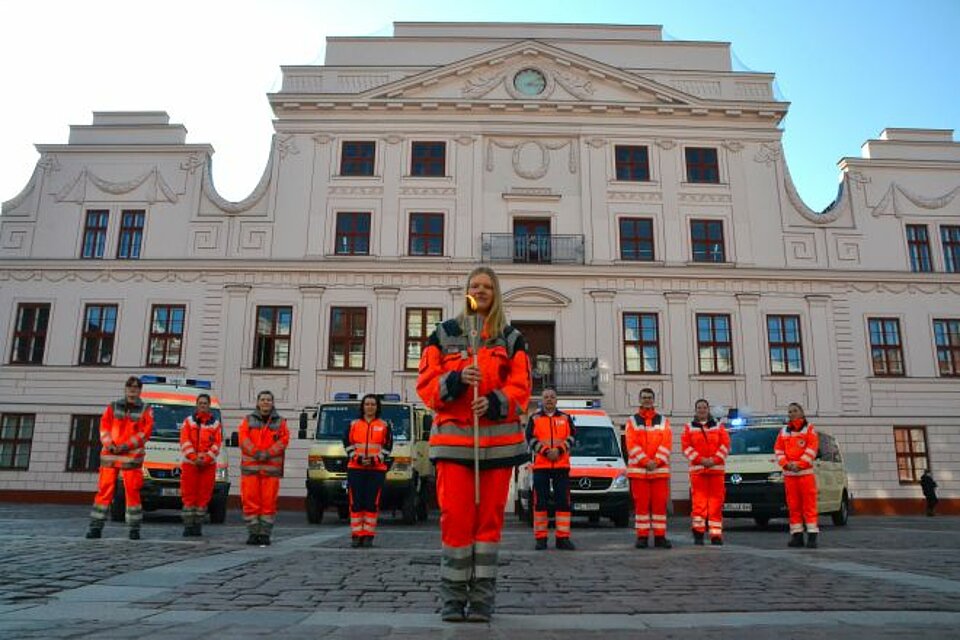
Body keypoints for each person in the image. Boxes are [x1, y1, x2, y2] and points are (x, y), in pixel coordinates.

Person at [417, 266, 531, 623]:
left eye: (486, 287)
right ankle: (452, 597)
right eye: (474, 286)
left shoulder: (511, 339)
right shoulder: (443, 335)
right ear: (466, 291)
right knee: (456, 521)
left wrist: (495, 401)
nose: (480, 291)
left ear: (495, 293)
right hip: (453, 444)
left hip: (496, 449)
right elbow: (426, 386)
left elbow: (521, 387)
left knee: (489, 524)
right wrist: (457, 380)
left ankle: (482, 599)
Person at [85, 376, 154, 540]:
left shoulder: (146, 409)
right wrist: (110, 444)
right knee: (104, 492)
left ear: (140, 390)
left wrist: (125, 446)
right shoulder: (112, 407)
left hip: (130, 458)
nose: (133, 389)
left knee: (132, 493)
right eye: (130, 386)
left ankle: (134, 529)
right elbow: (104, 428)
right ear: (125, 388)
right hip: (111, 456)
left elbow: (145, 432)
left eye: (136, 387)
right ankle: (95, 527)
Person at [525, 386, 576, 551]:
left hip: (561, 466)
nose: (549, 399)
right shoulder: (534, 419)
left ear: (556, 400)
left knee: (563, 502)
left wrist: (559, 451)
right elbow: (530, 438)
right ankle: (541, 539)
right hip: (541, 466)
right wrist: (546, 451)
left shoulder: (566, 418)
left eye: (552, 397)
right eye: (546, 397)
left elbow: (573, 437)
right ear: (541, 399)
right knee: (540, 503)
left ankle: (563, 538)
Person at [238, 390, 290, 546]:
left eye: (268, 400)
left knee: (268, 503)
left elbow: (284, 441)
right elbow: (243, 439)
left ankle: (265, 534)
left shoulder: (281, 422)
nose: (266, 402)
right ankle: (253, 533)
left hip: (270, 471)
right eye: (263, 399)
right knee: (250, 502)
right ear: (258, 402)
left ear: (273, 403)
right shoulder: (247, 420)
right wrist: (256, 452)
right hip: (251, 470)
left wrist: (268, 453)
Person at [625, 388, 673, 549]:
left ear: (654, 400)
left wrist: (656, 461)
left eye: (649, 397)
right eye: (644, 397)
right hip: (640, 473)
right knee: (641, 507)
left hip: (659, 472)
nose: (647, 400)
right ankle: (642, 537)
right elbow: (631, 445)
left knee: (660, 506)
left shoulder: (663, 421)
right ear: (640, 400)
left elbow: (666, 444)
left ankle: (660, 537)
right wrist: (646, 462)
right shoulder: (632, 421)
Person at [343, 394, 393, 548]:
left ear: (377, 407)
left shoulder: (385, 425)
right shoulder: (354, 424)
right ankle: (357, 535)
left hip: (376, 469)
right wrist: (357, 458)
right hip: (355, 468)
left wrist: (374, 460)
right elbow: (347, 443)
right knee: (356, 502)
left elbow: (388, 447)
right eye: (367, 404)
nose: (370, 407)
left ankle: (368, 535)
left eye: (373, 404)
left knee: (371, 502)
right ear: (362, 406)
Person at [681, 398, 730, 545]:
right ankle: (698, 534)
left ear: (708, 410)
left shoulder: (719, 426)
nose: (702, 410)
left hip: (716, 471)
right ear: (695, 410)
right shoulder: (689, 427)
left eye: (704, 407)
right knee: (699, 505)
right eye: (699, 408)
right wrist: (701, 460)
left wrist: (714, 460)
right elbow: (686, 448)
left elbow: (725, 445)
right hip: (698, 472)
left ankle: (716, 535)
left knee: (716, 504)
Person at [775, 402, 820, 548]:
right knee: (793, 507)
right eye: (789, 412)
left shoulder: (809, 429)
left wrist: (799, 465)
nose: (792, 414)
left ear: (801, 412)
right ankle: (797, 536)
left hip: (805, 474)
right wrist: (786, 464)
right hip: (790, 475)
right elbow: (778, 450)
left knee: (809, 506)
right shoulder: (784, 431)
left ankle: (812, 536)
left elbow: (812, 449)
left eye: (795, 411)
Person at [179, 393, 223, 537]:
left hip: (207, 466)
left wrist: (206, 458)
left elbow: (217, 444)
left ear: (209, 406)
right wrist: (194, 457)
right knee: (189, 495)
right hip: (190, 464)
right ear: (196, 405)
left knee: (203, 496)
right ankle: (188, 525)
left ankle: (197, 525)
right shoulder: (188, 422)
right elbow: (185, 441)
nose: (203, 405)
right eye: (201, 403)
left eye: (205, 403)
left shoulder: (215, 424)